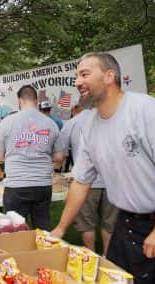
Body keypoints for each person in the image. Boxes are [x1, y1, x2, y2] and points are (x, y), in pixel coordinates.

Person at [51, 52, 155, 283]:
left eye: (84, 74)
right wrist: (59, 229)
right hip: (127, 223)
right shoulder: (88, 126)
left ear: (110, 76)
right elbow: (81, 182)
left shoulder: (145, 109)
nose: (77, 82)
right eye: (76, 76)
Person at [0, 85, 64, 230]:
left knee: (15, 230)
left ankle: (19, 252)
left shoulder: (7, 122)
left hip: (16, 185)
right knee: (42, 229)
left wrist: (16, 155)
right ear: (36, 100)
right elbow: (59, 157)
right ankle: (44, 252)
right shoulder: (51, 124)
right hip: (42, 185)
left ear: (19, 101)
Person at [61, 102, 118, 255]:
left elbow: (61, 155)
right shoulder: (111, 117)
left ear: (75, 109)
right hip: (111, 180)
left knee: (86, 225)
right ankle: (108, 257)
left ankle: (91, 257)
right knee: (109, 224)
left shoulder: (72, 124)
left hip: (85, 182)